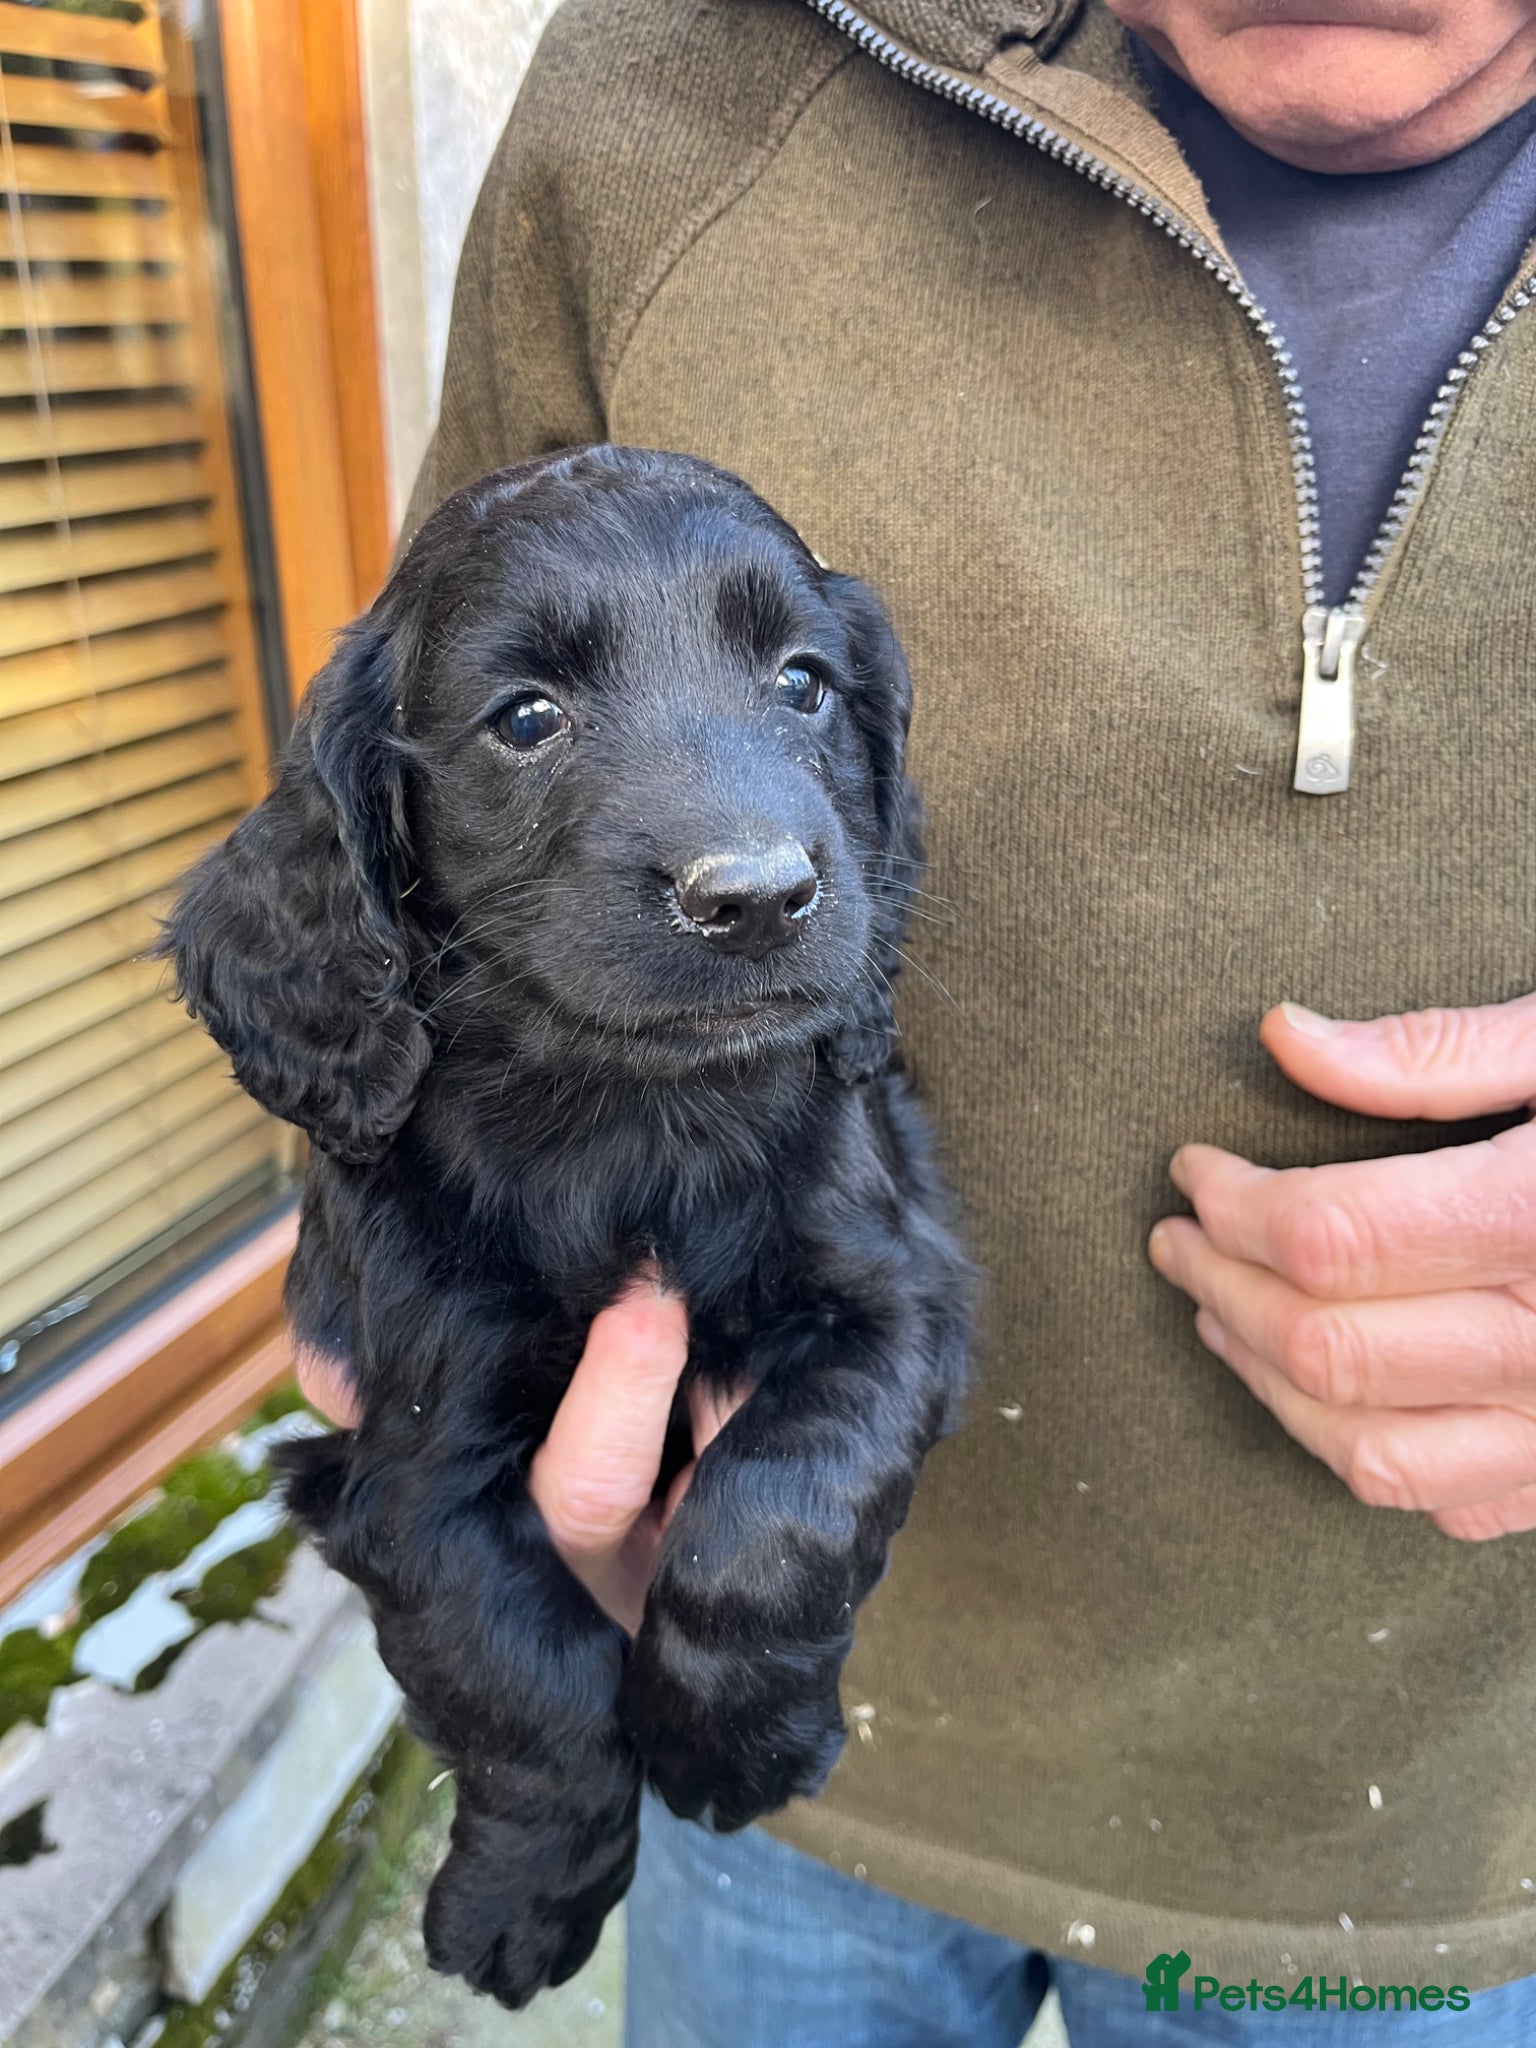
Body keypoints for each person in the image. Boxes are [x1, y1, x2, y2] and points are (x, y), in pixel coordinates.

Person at [299, 0, 1536, 2038]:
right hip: (772, 1731)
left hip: (1419, 1817)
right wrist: (443, 1426)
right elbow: (404, 802)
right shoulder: (664, 90)